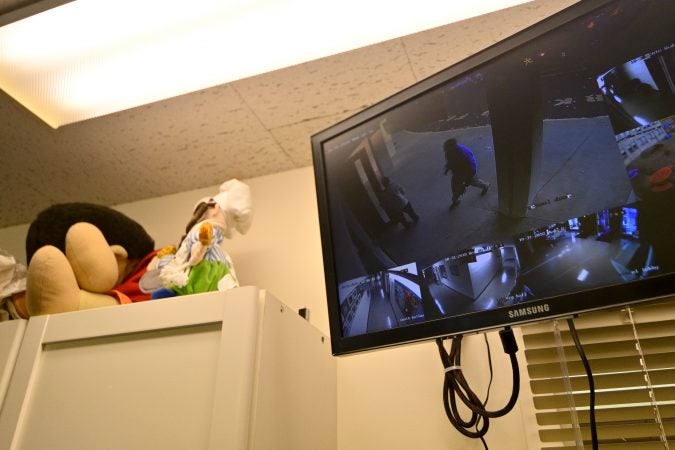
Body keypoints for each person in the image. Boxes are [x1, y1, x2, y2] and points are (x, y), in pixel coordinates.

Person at [443, 138, 490, 209]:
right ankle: (455, 200)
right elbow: (450, 162)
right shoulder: (449, 152)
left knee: (473, 182)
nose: (446, 151)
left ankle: (485, 186)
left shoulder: (463, 154)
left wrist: (466, 182)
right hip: (458, 172)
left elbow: (470, 168)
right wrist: (448, 168)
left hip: (469, 171)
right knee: (455, 186)